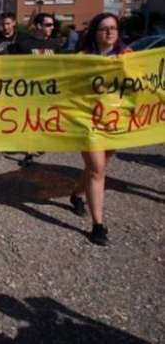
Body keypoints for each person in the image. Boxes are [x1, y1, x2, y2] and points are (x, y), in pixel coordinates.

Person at [69, 13, 130, 246]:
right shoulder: (82, 58)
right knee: (97, 169)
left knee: (100, 165)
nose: (109, 32)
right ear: (95, 32)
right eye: (104, 28)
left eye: (113, 28)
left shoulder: (128, 57)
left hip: (116, 121)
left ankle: (76, 193)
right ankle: (98, 225)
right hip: (89, 122)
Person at [9, 12, 62, 166]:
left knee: (45, 119)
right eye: (48, 25)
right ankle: (29, 151)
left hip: (49, 90)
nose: (51, 28)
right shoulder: (24, 44)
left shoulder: (55, 45)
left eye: (52, 25)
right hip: (30, 90)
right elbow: (12, 66)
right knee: (30, 120)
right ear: (38, 26)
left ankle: (41, 143)